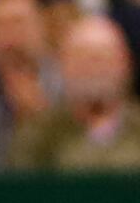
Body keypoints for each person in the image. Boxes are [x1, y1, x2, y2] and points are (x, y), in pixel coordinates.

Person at [14, 13, 140, 171]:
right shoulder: (38, 133)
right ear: (62, 65)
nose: (93, 70)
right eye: (82, 59)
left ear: (125, 64)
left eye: (101, 59)